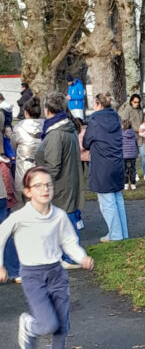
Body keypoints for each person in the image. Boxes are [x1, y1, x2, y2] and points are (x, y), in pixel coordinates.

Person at [0, 167, 94, 349]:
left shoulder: (59, 216)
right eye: (39, 185)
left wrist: (81, 257)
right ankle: (30, 325)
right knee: (49, 324)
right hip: (33, 276)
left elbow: (69, 241)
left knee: (62, 324)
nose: (45, 189)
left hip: (56, 274)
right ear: (28, 191)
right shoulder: (20, 217)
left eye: (48, 185)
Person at [35, 92, 84, 265]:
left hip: (60, 185)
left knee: (66, 220)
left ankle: (71, 258)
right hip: (68, 181)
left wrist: (41, 184)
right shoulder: (67, 127)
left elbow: (53, 166)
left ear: (47, 110)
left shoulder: (56, 133)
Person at [82, 92, 129, 242]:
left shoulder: (94, 120)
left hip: (102, 164)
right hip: (117, 162)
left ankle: (115, 235)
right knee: (117, 199)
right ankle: (123, 233)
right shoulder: (116, 118)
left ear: (98, 104)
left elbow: (86, 142)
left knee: (107, 202)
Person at [12, 95, 44, 197]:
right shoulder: (47, 127)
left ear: (26, 112)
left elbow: (13, 147)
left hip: (24, 169)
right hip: (43, 169)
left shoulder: (18, 128)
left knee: (24, 199)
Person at [122, 118, 139, 190]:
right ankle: (133, 184)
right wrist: (136, 152)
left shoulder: (121, 134)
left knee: (124, 170)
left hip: (124, 155)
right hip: (132, 155)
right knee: (132, 169)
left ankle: (125, 184)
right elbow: (136, 143)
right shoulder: (133, 134)